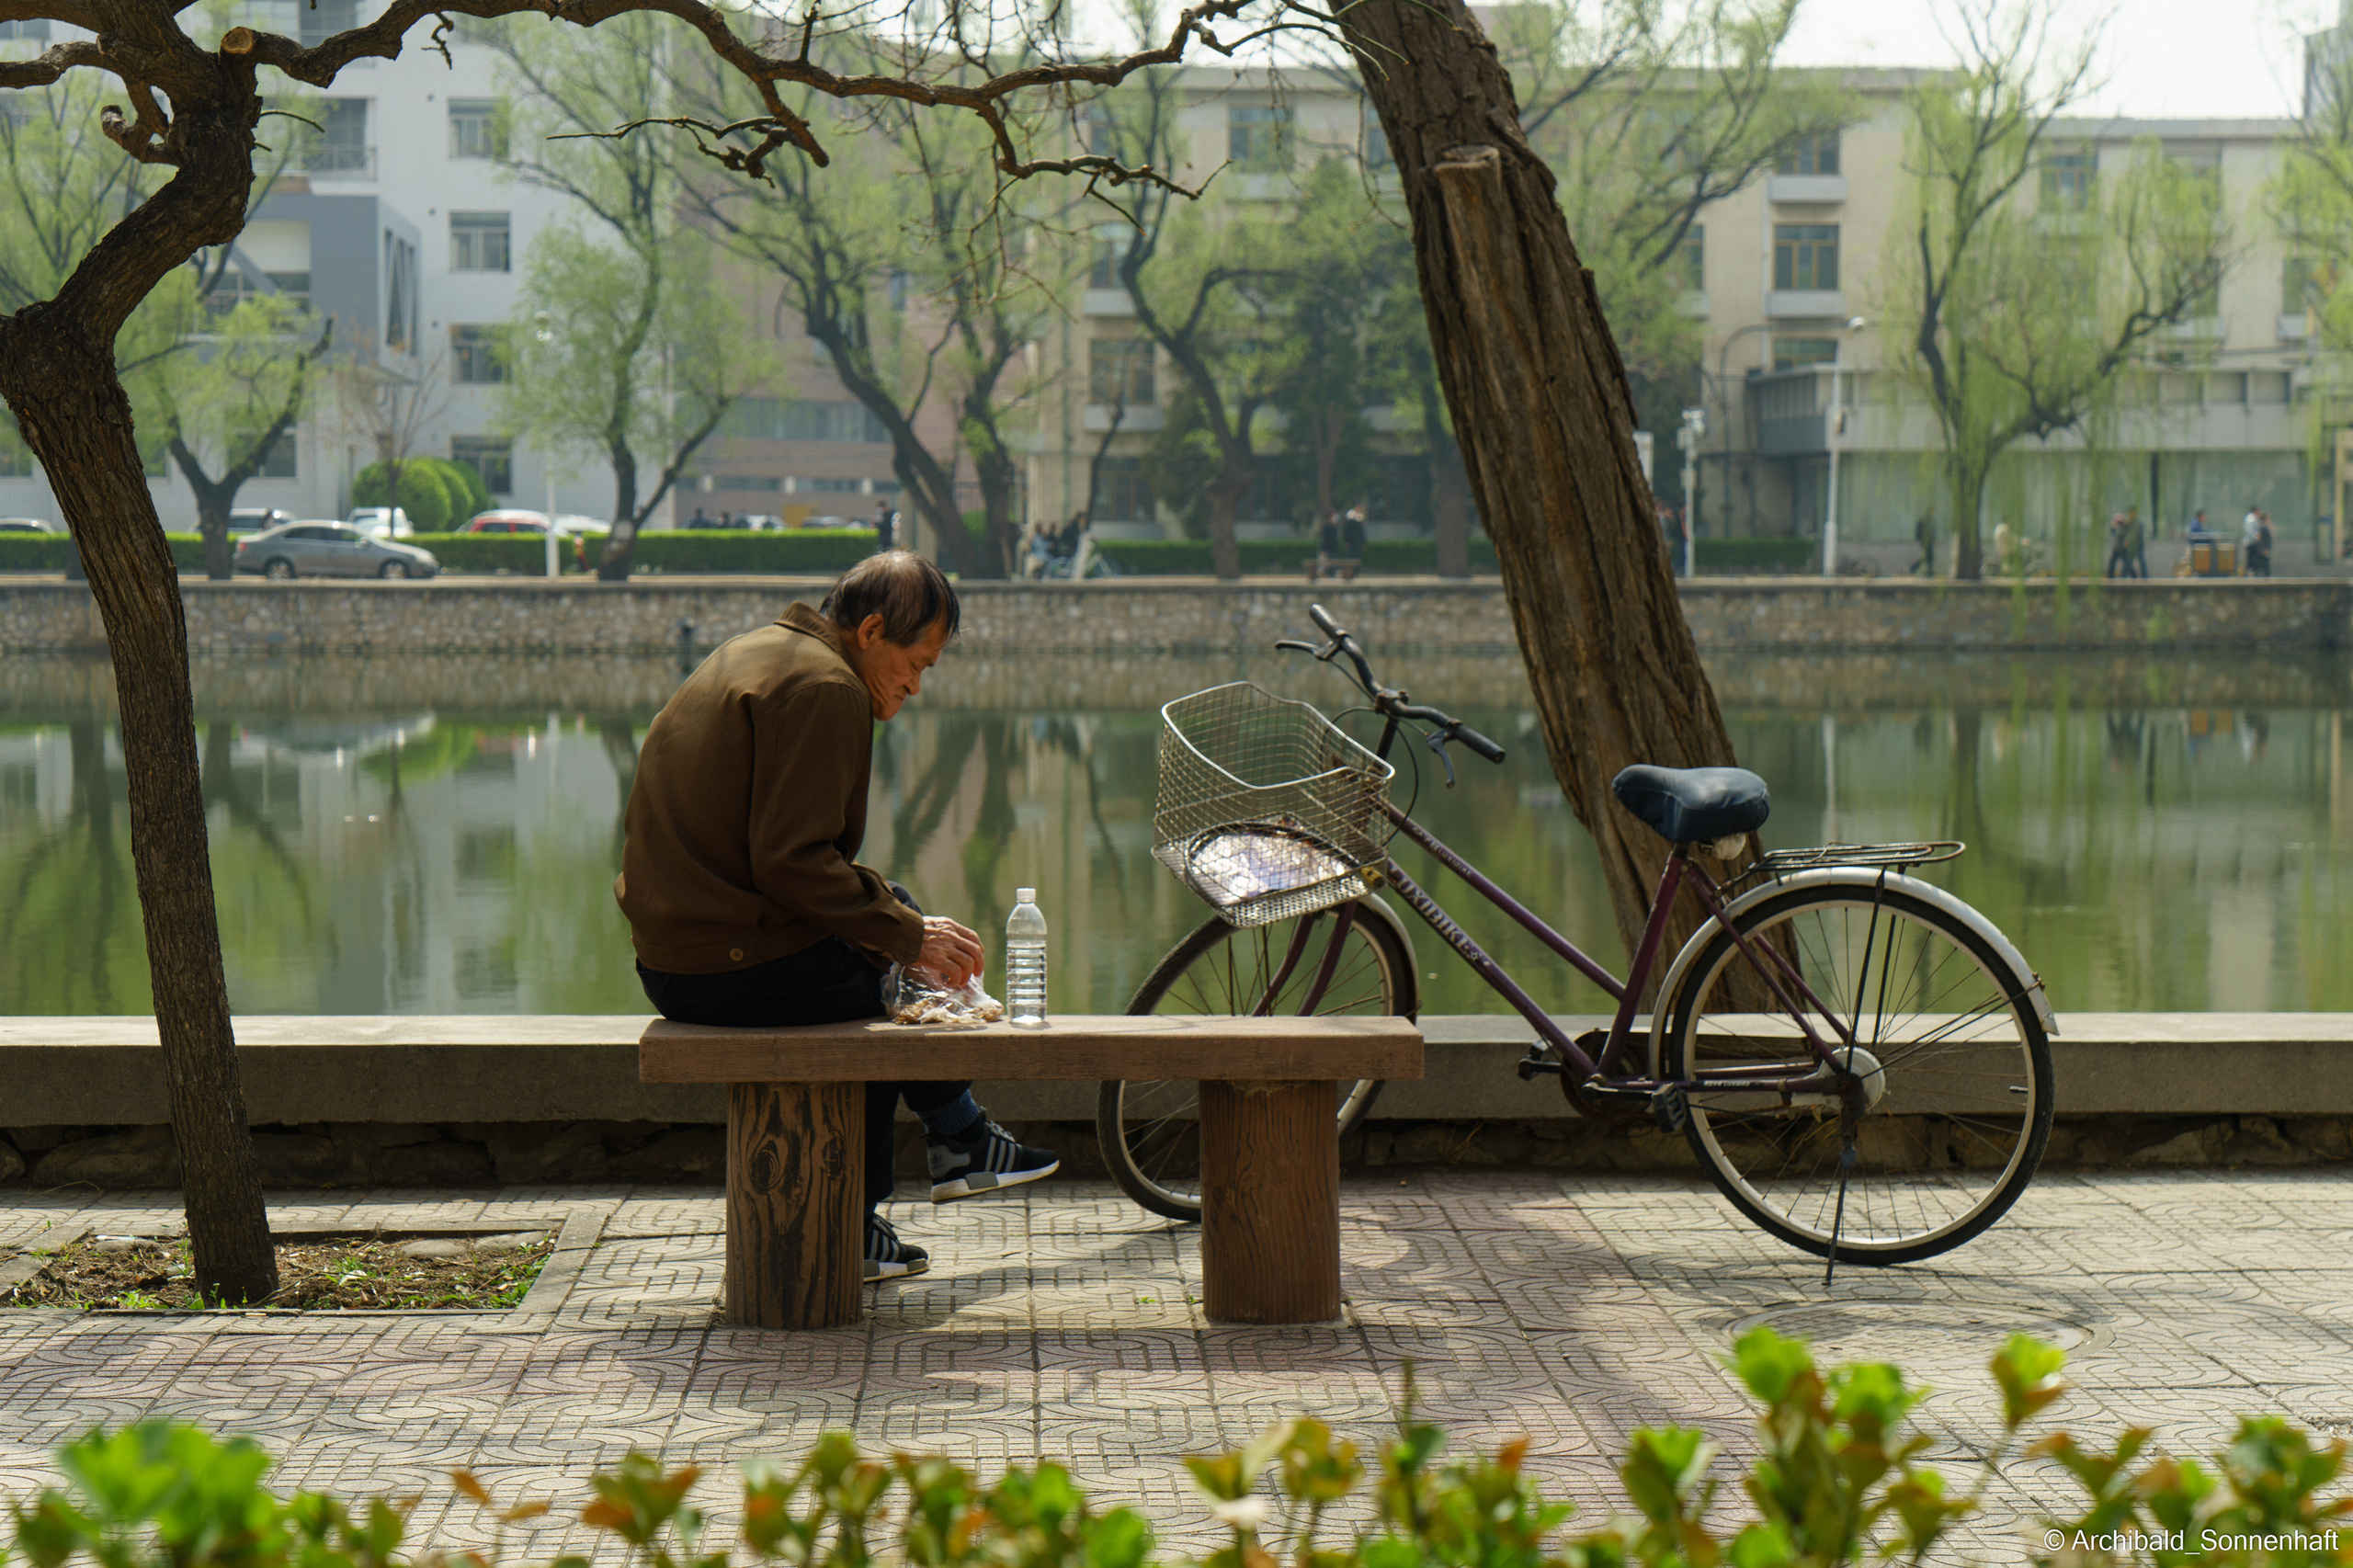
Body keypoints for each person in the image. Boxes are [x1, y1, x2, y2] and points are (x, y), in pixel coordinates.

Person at [618, 552, 1059, 1282]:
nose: (915, 685)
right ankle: (871, 1208)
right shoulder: (827, 686)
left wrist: (901, 924)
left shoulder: (760, 651)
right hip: (724, 967)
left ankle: (957, 1142)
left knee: (893, 920)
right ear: (872, 631)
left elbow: (786, 859)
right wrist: (908, 938)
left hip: (677, 955)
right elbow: (792, 862)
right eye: (914, 664)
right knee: (882, 988)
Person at [1309, 510, 1341, 583]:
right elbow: (1324, 541)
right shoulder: (1326, 528)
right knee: (1327, 566)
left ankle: (1332, 578)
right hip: (1327, 550)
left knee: (1333, 565)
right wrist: (1323, 550)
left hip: (1333, 549)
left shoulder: (1334, 528)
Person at [1339, 503, 1367, 582]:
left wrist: (1363, 542)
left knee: (1357, 558)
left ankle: (1356, 573)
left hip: (1358, 543)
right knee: (1351, 558)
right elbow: (1346, 531)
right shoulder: (1350, 518)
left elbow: (1361, 532)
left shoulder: (1359, 519)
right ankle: (1350, 573)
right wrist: (1346, 541)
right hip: (1351, 542)